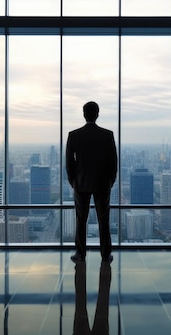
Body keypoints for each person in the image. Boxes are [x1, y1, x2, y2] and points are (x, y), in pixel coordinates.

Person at [66, 101, 118, 263]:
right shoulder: (107, 135)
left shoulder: (74, 135)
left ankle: (80, 254)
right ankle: (105, 255)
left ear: (84, 114)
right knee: (104, 220)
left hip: (81, 184)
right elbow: (113, 162)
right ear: (97, 114)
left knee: (81, 220)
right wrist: (110, 181)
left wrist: (73, 181)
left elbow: (69, 163)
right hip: (102, 183)